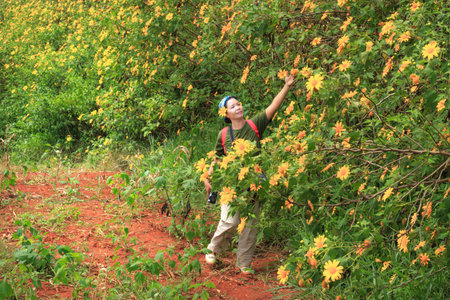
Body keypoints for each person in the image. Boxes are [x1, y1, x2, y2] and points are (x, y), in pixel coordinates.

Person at [204, 75, 295, 274]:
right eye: (233, 106)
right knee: (230, 220)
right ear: (226, 114)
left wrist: (286, 86)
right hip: (231, 184)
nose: (238, 107)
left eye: (239, 104)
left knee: (250, 225)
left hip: (254, 183)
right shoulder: (224, 134)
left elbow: (274, 106)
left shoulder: (255, 125)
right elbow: (217, 158)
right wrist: (208, 177)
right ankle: (213, 250)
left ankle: (243, 263)